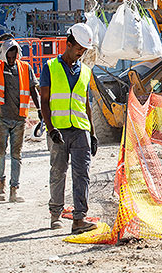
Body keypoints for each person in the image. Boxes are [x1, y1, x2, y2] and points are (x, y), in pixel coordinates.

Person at [40, 23, 98, 234]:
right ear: (69, 44)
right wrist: (51, 129)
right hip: (59, 130)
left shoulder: (85, 71)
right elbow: (44, 101)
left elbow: (86, 104)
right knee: (58, 172)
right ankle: (55, 215)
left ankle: (79, 219)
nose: (81, 54)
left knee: (82, 174)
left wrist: (92, 133)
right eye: (78, 49)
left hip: (80, 130)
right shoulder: (50, 68)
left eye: (84, 50)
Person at [0, 33, 40, 202]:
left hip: (19, 119)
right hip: (2, 117)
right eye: (9, 55)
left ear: (18, 54)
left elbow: (32, 90)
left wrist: (40, 109)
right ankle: (1, 184)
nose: (12, 59)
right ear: (4, 54)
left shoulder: (25, 68)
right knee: (0, 152)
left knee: (16, 155)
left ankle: (14, 189)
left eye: (14, 56)